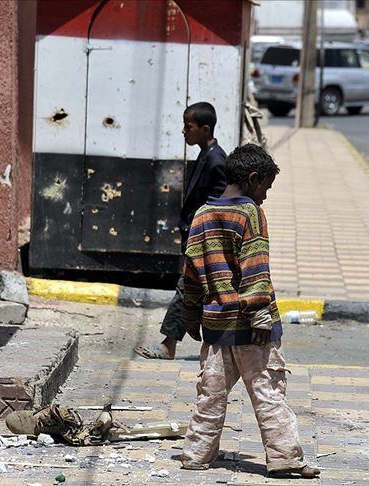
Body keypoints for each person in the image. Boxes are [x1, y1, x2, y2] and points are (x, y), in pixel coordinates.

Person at [178, 144, 320, 479]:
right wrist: (260, 318)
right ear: (253, 179)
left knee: (210, 394)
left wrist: (190, 316)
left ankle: (196, 454)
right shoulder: (250, 214)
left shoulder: (201, 214)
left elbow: (191, 272)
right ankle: (285, 458)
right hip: (251, 328)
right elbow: (255, 268)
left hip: (215, 325)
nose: (265, 196)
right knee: (268, 392)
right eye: (266, 187)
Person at [135, 102, 227, 360]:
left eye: (189, 126)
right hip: (197, 236)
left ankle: (169, 343)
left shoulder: (216, 160)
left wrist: (202, 234)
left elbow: (219, 203)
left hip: (205, 238)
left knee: (186, 287)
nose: (184, 131)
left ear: (205, 129)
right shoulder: (206, 155)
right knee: (195, 289)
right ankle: (204, 338)